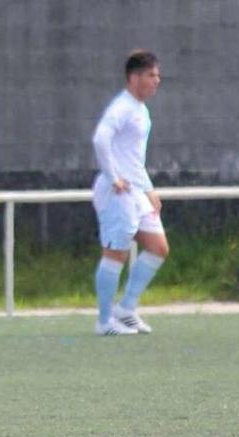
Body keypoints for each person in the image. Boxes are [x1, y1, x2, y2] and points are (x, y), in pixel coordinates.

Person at [91, 50, 169, 336]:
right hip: (118, 193)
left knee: (159, 247)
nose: (156, 80)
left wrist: (148, 189)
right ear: (134, 77)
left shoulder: (141, 110)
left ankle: (126, 309)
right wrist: (113, 178)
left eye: (157, 74)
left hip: (136, 191)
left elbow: (132, 157)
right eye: (151, 75)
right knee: (116, 253)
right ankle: (103, 321)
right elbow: (101, 139)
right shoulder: (121, 107)